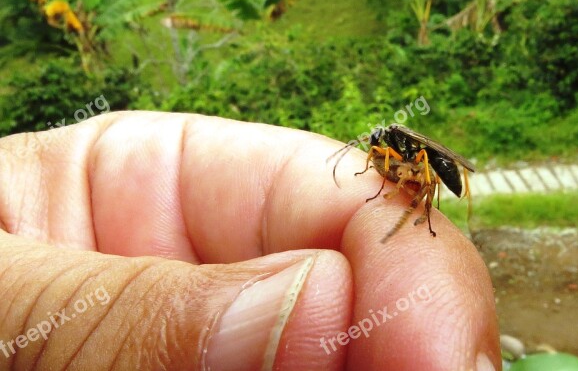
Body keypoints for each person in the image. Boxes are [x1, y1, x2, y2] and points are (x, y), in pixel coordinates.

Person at [0, 112, 500, 370]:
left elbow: (422, 165)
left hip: (434, 178)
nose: (372, 154)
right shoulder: (387, 150)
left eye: (376, 150)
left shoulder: (411, 151)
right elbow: (384, 164)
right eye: (373, 151)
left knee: (432, 178)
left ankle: (428, 216)